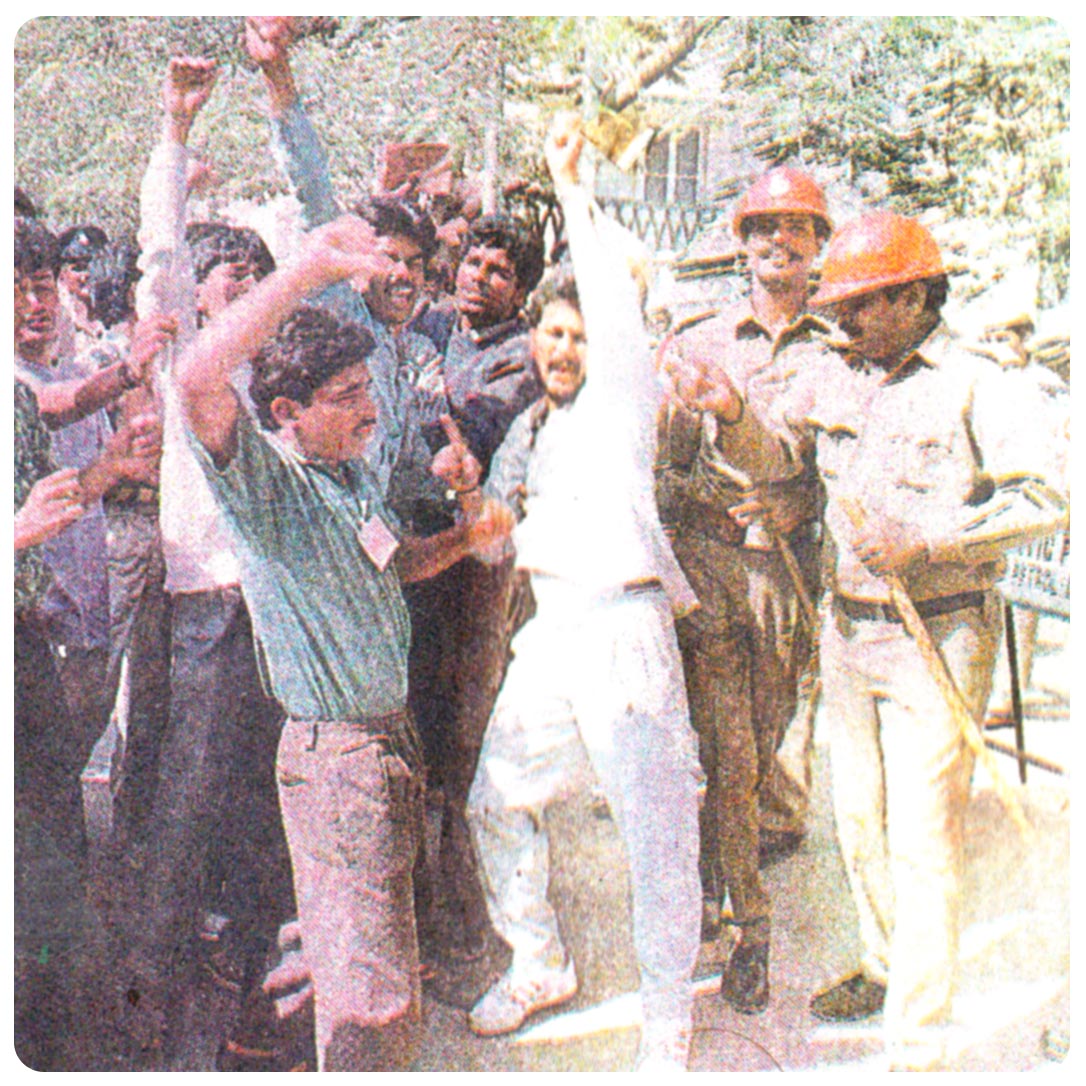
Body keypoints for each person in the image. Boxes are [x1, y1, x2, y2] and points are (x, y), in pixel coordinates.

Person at [176, 211, 513, 1071]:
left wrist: (466, 536)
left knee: (366, 960)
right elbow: (197, 375)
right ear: (286, 412)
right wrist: (303, 270)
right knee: (372, 993)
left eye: (369, 387)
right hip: (340, 760)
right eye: (347, 396)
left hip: (386, 744)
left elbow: (393, 565)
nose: (371, 407)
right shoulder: (270, 487)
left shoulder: (348, 475)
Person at [749, 212, 1068, 1068]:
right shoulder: (840, 374)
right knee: (858, 819)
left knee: (923, 835)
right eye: (839, 307)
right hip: (848, 627)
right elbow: (788, 459)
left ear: (917, 298)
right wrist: (771, 477)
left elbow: (1044, 501)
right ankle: (886, 966)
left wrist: (928, 541)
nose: (844, 321)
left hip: (941, 629)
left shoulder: (978, 384)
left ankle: (918, 1039)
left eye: (861, 305)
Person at [465, 117, 702, 1072]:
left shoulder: (622, 401)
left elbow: (609, 298)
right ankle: (539, 963)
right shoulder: (540, 426)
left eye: (582, 336)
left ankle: (668, 1021)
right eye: (551, 334)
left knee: (656, 834)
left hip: (624, 631)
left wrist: (572, 186)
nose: (566, 349)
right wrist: (480, 514)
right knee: (494, 798)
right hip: (553, 633)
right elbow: (508, 542)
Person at [117, 57, 295, 1070]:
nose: (244, 296)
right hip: (206, 610)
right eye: (229, 281)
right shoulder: (192, 370)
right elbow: (161, 253)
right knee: (183, 810)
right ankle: (147, 1004)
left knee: (266, 813)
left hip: (276, 614)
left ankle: (250, 1004)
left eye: (256, 285)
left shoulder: (280, 388)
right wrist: (174, 130)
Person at [656, 166, 830, 1012]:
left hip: (781, 577)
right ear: (742, 242)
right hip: (710, 571)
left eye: (796, 227)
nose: (778, 242)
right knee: (723, 755)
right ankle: (743, 927)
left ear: (820, 244)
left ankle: (714, 889)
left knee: (759, 752)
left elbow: (839, 469)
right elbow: (662, 465)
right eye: (763, 226)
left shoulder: (841, 345)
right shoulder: (700, 338)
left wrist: (802, 500)